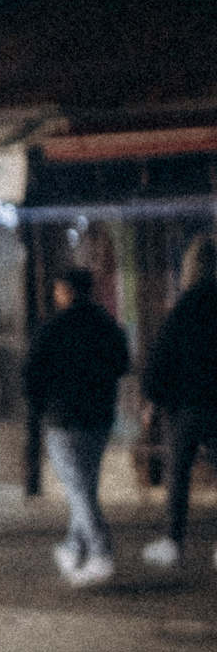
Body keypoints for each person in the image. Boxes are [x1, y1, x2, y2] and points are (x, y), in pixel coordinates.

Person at [23, 266, 130, 587]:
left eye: (58, 290)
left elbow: (31, 372)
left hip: (63, 419)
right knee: (85, 485)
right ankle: (73, 546)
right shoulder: (105, 324)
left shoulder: (53, 327)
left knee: (78, 488)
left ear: (66, 291)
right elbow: (122, 362)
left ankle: (100, 553)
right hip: (98, 416)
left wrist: (41, 407)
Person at [141, 237, 217, 570]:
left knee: (179, 473)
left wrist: (154, 401)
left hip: (185, 406)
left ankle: (174, 540)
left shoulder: (183, 309)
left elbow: (161, 359)